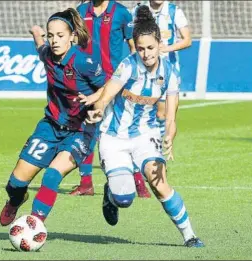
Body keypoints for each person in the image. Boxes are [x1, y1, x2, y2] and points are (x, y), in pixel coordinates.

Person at [86, 5, 204, 247]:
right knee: (125, 198)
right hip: (113, 137)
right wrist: (97, 110)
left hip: (145, 135)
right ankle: (111, 196)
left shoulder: (170, 73)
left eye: (150, 48)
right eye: (140, 48)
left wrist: (169, 138)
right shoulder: (127, 66)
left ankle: (190, 236)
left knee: (159, 184)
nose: (146, 53)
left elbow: (171, 117)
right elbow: (107, 95)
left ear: (159, 44)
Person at [0, 8, 107, 225]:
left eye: (60, 36)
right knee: (15, 184)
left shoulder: (84, 63)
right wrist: (37, 33)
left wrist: (99, 107)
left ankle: (35, 223)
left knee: (52, 175)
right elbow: (40, 46)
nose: (54, 41)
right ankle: (17, 199)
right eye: (51, 36)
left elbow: (106, 87)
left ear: (72, 37)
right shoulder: (47, 54)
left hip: (81, 130)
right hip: (50, 127)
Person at [69, 0, 151, 198]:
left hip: (114, 81)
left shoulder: (121, 13)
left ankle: (139, 183)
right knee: (85, 131)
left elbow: (134, 47)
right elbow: (75, 43)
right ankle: (86, 183)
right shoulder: (81, 11)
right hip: (86, 80)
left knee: (122, 131)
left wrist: (130, 74)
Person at [131, 0, 192, 140]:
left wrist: (166, 48)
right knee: (140, 110)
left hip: (166, 71)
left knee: (161, 114)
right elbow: (131, 38)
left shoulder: (174, 11)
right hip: (143, 69)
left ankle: (157, 148)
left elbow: (187, 40)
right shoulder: (138, 10)